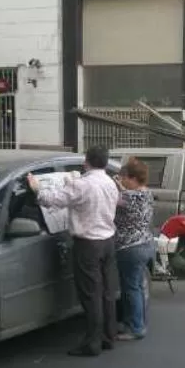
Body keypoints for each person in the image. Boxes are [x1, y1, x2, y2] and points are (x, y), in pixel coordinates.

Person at [28, 146, 121, 357]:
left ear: (86, 161)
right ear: (105, 163)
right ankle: (108, 336)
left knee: (91, 294)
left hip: (88, 244)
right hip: (107, 241)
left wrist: (36, 188)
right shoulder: (110, 182)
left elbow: (53, 199)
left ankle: (92, 343)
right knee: (107, 292)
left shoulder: (83, 184)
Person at [114, 157, 155, 341]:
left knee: (131, 288)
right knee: (137, 286)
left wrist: (115, 186)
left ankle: (136, 327)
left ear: (132, 178)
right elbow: (127, 195)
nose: (121, 180)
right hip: (145, 244)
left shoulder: (127, 197)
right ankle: (134, 322)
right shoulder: (146, 193)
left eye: (123, 178)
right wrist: (120, 187)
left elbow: (117, 199)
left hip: (130, 247)